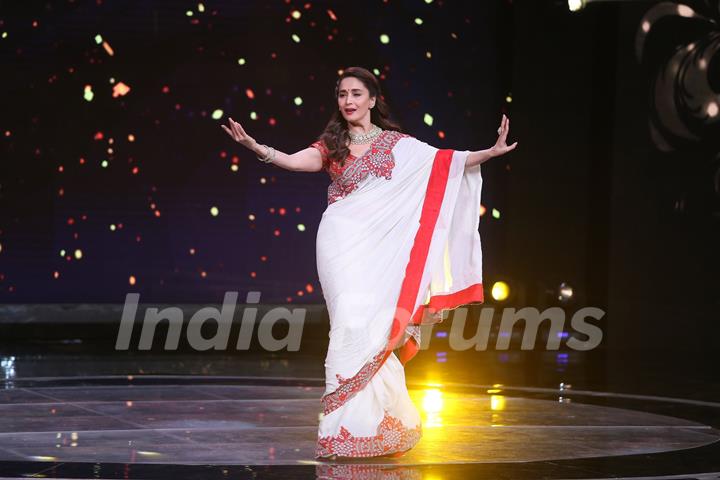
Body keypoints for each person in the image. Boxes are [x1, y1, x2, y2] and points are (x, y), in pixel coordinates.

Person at [221, 66, 518, 459]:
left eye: (356, 94)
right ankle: (340, 429)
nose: (348, 101)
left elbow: (446, 164)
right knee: (347, 322)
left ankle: (371, 424)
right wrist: (259, 149)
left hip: (378, 251)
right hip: (339, 243)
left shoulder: (399, 145)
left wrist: (490, 152)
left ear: (373, 100)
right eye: (342, 94)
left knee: (372, 325)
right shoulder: (332, 144)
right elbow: (297, 162)